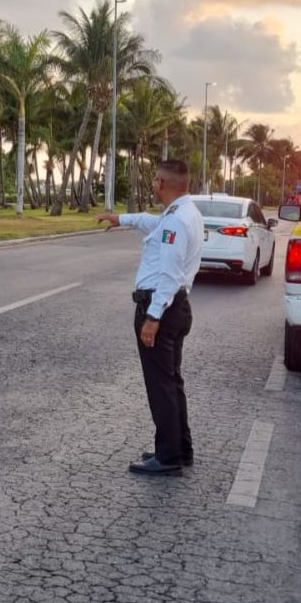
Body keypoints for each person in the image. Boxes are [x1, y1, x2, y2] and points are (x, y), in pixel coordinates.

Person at [97, 159, 204, 476]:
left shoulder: (176, 221)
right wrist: (121, 218)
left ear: (160, 183)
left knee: (161, 386)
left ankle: (168, 456)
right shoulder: (184, 213)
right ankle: (180, 448)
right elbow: (149, 222)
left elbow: (169, 276)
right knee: (172, 382)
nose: (153, 185)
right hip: (176, 306)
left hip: (163, 307)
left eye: (155, 180)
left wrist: (153, 317)